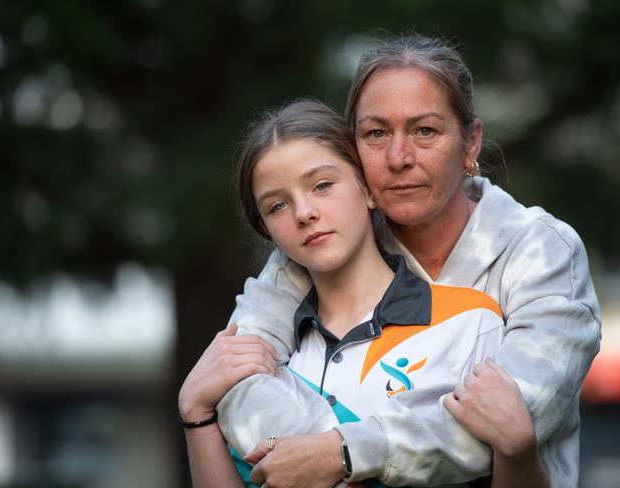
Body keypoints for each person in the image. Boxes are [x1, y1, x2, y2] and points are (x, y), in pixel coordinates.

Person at [214, 33, 601, 487]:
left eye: (425, 131)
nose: (399, 158)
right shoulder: (330, 240)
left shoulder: (540, 250)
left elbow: (514, 419)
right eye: (376, 133)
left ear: (471, 143)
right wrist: (319, 452)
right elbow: (237, 377)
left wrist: (343, 452)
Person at [179, 99, 547, 488]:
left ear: (368, 190)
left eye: (322, 185)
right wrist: (196, 414)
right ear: (267, 230)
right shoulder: (265, 360)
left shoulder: (470, 322)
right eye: (278, 205)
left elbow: (507, 457)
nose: (303, 212)